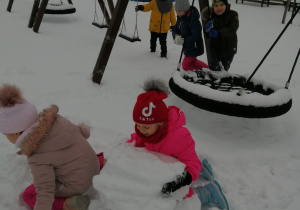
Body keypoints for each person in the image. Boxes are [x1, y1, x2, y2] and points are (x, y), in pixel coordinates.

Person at [127, 78, 229, 210]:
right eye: (138, 125)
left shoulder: (177, 138)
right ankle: (201, 166)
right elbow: (137, 142)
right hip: (168, 160)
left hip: (178, 163)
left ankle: (208, 192)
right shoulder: (145, 131)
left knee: (178, 198)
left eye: (146, 127)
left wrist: (181, 180)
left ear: (160, 124)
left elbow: (191, 161)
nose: (141, 130)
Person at [0, 84, 106, 210]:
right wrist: (85, 131)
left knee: (28, 195)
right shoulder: (58, 121)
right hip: (93, 165)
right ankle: (102, 162)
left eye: (5, 134)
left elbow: (45, 191)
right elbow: (81, 131)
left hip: (78, 184)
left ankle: (68, 204)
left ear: (16, 132)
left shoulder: (37, 154)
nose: (5, 136)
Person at [172, 0, 209, 71]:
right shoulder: (180, 18)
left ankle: (193, 74)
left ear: (185, 9)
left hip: (195, 46)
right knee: (193, 62)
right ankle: (206, 68)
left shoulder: (193, 19)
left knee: (186, 65)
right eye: (176, 10)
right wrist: (176, 36)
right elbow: (175, 30)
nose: (177, 12)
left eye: (180, 10)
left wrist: (184, 40)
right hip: (187, 46)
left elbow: (196, 35)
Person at [204, 0, 239, 71]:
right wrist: (207, 30)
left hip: (228, 49)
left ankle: (221, 79)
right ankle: (212, 80)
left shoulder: (233, 14)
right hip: (215, 49)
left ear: (226, 4)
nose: (219, 8)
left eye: (222, 5)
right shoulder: (211, 16)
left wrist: (219, 33)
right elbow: (207, 35)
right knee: (214, 68)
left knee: (223, 68)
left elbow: (232, 28)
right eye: (216, 5)